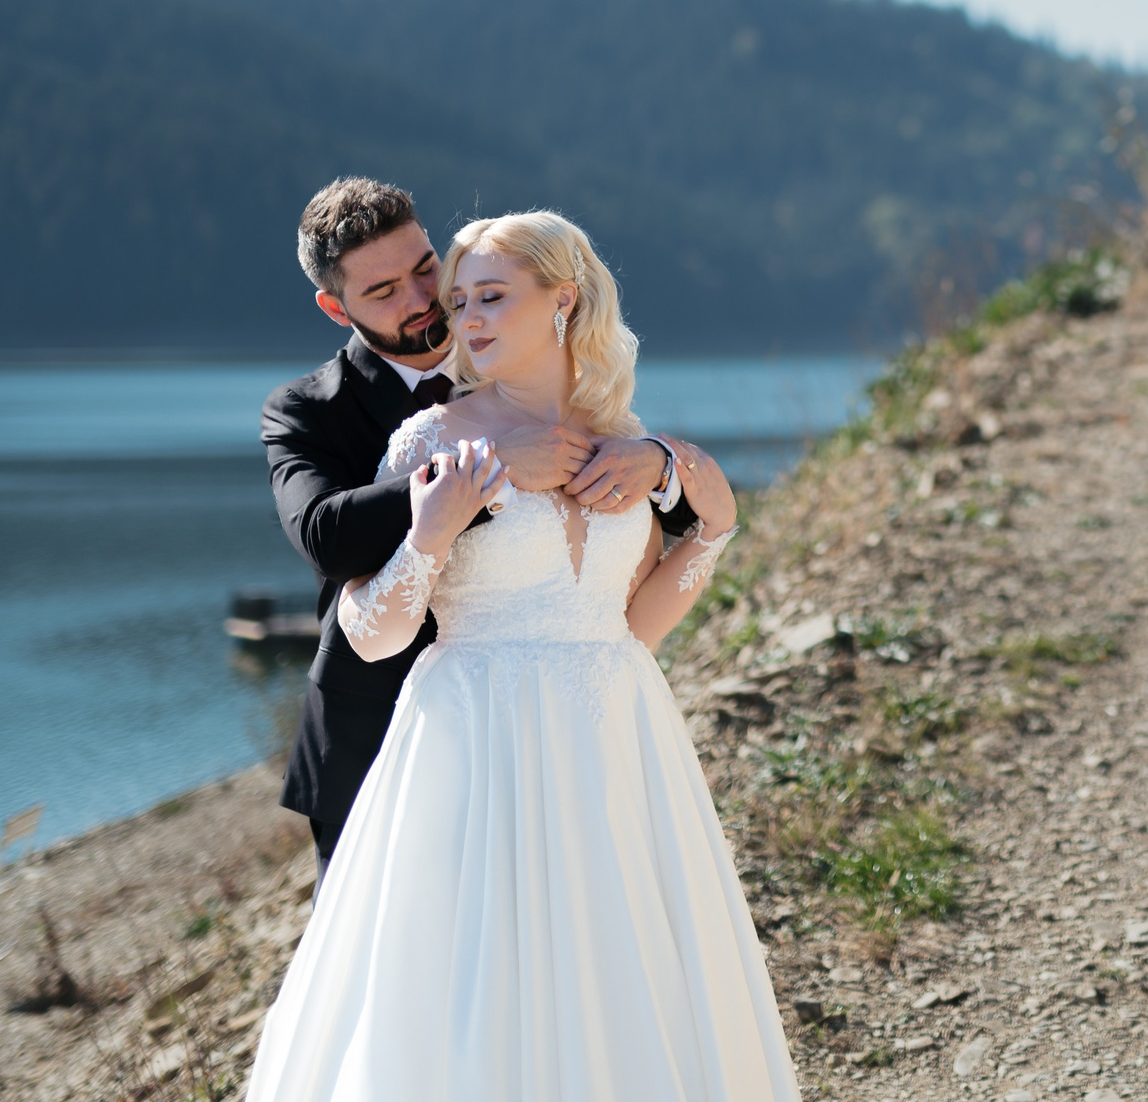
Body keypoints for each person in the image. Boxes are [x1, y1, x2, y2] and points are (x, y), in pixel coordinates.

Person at [246, 210, 797, 1099]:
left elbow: (632, 627)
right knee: (470, 992)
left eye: (488, 295)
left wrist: (714, 523)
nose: (462, 316)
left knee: (627, 975)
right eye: (459, 301)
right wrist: (431, 527)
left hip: (615, 737)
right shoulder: (430, 440)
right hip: (474, 742)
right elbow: (375, 627)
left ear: (563, 299)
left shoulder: (623, 437)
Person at [263, 179, 685, 874]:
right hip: (376, 728)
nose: (423, 299)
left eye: (425, 267)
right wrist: (487, 470)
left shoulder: (519, 356)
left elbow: (665, 512)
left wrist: (658, 460)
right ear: (336, 307)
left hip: (556, 731)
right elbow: (325, 535)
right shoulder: (307, 410)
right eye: (384, 291)